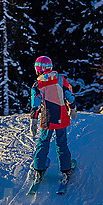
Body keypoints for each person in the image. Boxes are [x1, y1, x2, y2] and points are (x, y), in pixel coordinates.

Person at [29, 55, 76, 184]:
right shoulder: (60, 79)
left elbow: (35, 104)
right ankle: (66, 170)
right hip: (61, 117)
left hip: (47, 118)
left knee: (43, 142)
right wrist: (72, 107)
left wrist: (33, 120)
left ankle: (39, 169)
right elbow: (69, 95)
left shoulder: (37, 84)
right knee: (61, 143)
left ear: (38, 70)